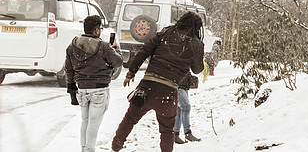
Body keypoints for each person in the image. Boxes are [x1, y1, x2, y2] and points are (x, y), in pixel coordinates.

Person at [111, 11, 204, 152]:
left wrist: (131, 72)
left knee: (129, 119)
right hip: (169, 93)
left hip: (146, 88)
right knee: (167, 131)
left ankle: (115, 146)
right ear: (197, 27)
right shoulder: (197, 45)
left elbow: (144, 51)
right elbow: (197, 69)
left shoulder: (166, 32)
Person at [65, 15, 123, 152]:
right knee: (94, 123)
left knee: (85, 121)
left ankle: (84, 149)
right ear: (96, 30)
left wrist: (72, 88)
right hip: (99, 89)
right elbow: (118, 62)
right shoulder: (103, 46)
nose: (101, 31)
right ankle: (89, 150)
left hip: (82, 90)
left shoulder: (72, 45)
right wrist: (115, 48)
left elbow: (68, 69)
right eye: (100, 29)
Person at [173, 72, 201, 144]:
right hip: (178, 86)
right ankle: (187, 133)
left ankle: (175, 135)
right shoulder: (178, 61)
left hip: (184, 87)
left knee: (179, 109)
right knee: (186, 107)